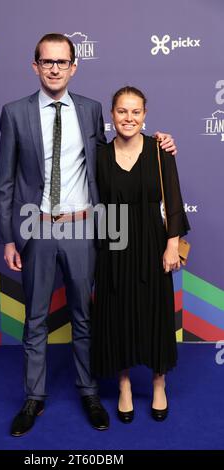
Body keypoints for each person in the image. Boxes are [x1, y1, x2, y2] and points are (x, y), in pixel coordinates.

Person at [0, 34, 177, 436]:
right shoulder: (14, 113)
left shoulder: (92, 110)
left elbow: (116, 153)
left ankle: (90, 392)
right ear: (36, 66)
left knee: (84, 316)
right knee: (36, 319)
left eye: (62, 62)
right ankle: (33, 398)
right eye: (48, 62)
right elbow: (5, 180)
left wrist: (160, 142)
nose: (55, 68)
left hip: (83, 226)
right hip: (35, 226)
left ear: (74, 67)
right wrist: (8, 239)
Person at [91, 86, 190, 423]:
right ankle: (124, 386)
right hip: (113, 240)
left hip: (152, 239)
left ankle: (159, 383)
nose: (129, 118)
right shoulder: (100, 155)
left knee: (155, 310)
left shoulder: (161, 150)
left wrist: (172, 244)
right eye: (122, 111)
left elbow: (173, 199)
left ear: (145, 115)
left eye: (135, 112)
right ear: (112, 115)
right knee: (117, 311)